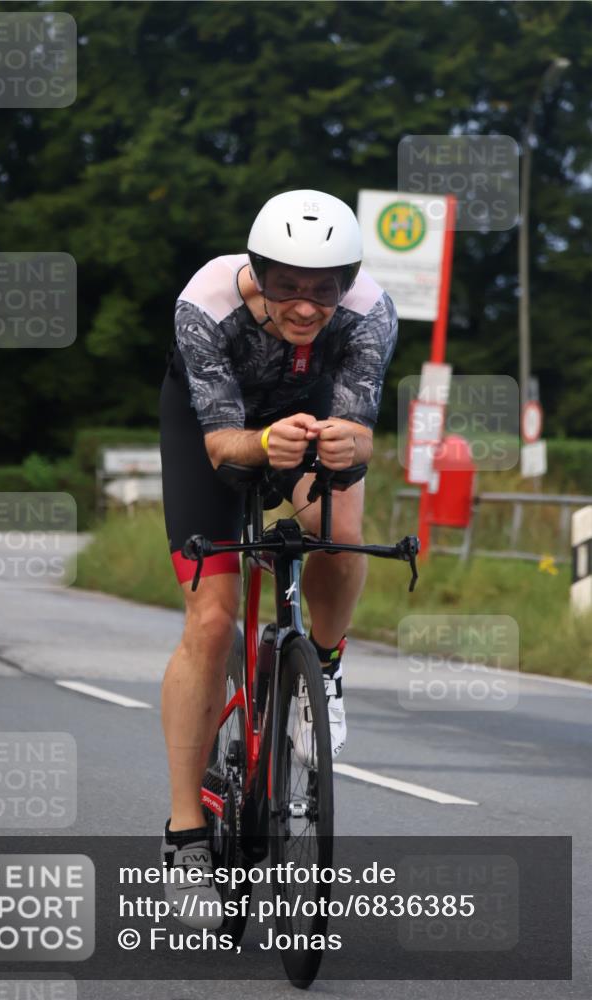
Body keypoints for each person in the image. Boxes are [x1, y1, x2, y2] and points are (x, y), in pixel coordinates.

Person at [158, 189, 398, 927]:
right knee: (210, 619)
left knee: (341, 522)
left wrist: (342, 443)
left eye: (322, 290)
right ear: (258, 273)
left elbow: (358, 433)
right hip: (218, 432)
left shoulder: (372, 311)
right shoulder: (205, 302)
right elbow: (221, 443)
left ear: (345, 282)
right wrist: (263, 444)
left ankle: (320, 669)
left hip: (312, 423)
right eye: (286, 286)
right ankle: (184, 836)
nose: (303, 306)